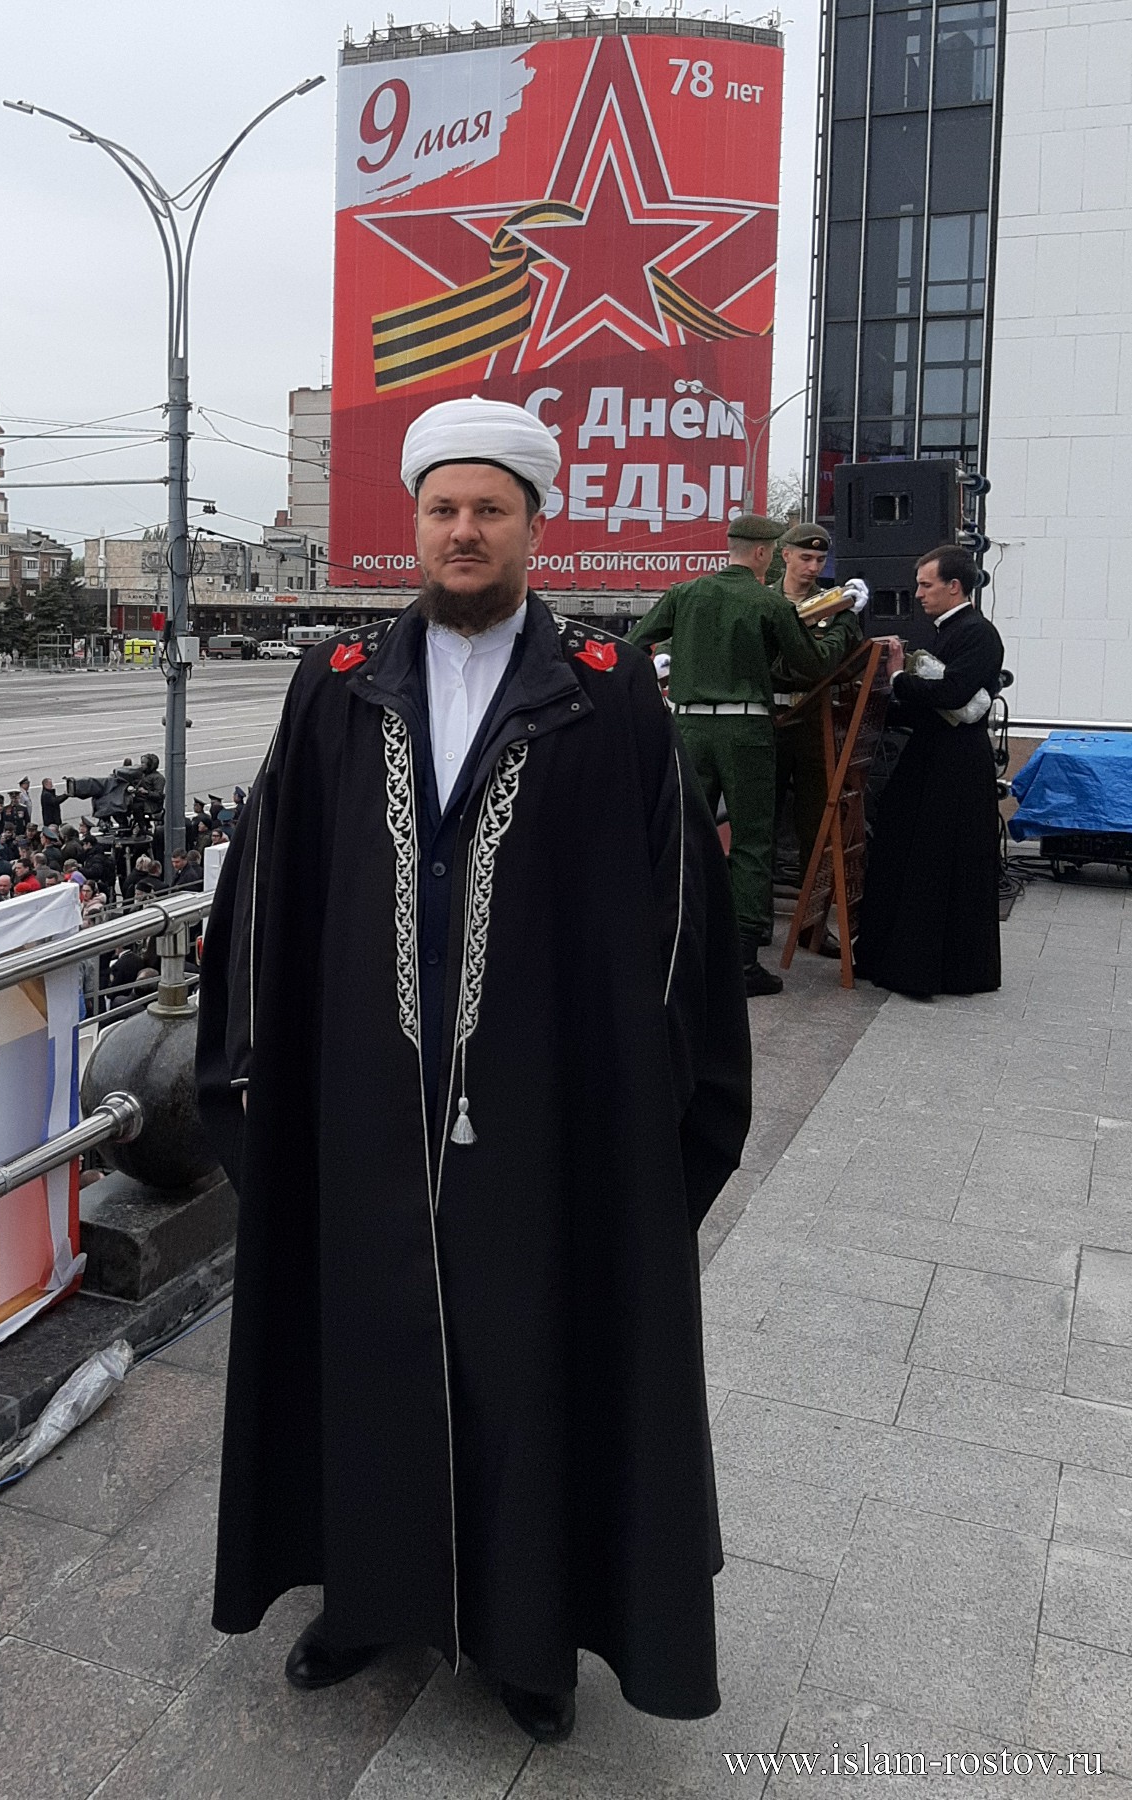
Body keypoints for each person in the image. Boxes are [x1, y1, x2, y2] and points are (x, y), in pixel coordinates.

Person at [197, 395, 751, 1743]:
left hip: (546, 1109)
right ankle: (365, 1600)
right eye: (442, 508)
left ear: (532, 525)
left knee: (526, 1357)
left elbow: (678, 913)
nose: (463, 530)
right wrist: (253, 1075)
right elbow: (268, 886)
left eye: (489, 508)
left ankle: (526, 1636)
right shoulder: (337, 685)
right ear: (414, 522)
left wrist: (660, 1111)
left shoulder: (606, 695)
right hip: (362, 1101)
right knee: (367, 1348)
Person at [628, 515, 857, 996]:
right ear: (762, 552)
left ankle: (670, 942)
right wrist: (841, 621)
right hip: (746, 728)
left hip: (688, 725)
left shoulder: (685, 593)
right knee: (752, 840)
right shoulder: (766, 601)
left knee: (684, 833)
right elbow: (812, 664)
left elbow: (633, 646)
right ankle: (744, 958)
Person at [855, 545, 1004, 999]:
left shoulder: (978, 633)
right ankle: (892, 957)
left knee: (938, 861)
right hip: (929, 757)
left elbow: (954, 695)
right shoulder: (945, 631)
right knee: (901, 848)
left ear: (954, 586)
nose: (918, 593)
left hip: (957, 767)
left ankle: (934, 970)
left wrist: (899, 678)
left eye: (926, 584)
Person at [769, 523, 868, 952]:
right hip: (770, 717)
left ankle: (812, 925)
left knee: (816, 826)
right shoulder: (764, 600)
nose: (812, 567)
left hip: (814, 722)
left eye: (820, 560)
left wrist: (849, 618)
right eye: (805, 558)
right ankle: (754, 920)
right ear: (785, 555)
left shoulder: (834, 605)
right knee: (761, 822)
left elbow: (850, 660)